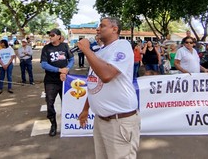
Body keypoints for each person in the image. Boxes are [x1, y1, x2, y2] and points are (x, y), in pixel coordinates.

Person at [78, 17, 140, 159]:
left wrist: (86, 50)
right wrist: (86, 109)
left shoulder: (122, 45)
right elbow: (94, 85)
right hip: (101, 121)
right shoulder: (99, 53)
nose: (97, 29)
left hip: (119, 122)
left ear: (114, 29)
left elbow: (106, 75)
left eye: (102, 26)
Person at [40, 28, 74, 136]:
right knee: (50, 103)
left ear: (59, 36)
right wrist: (59, 70)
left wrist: (67, 69)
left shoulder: (64, 46)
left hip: (65, 80)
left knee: (67, 102)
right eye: (49, 35)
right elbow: (44, 64)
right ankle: (53, 124)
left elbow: (72, 59)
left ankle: (68, 123)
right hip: (51, 81)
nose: (50, 37)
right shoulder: (46, 48)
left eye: (52, 35)